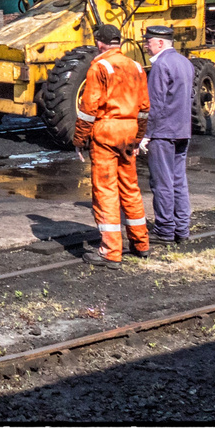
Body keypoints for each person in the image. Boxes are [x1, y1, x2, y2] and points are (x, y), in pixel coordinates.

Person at [73, 24, 151, 268]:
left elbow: (88, 109)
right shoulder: (137, 66)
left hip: (107, 132)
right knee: (130, 187)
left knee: (105, 190)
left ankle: (110, 252)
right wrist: (137, 138)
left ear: (99, 42)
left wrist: (79, 139)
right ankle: (141, 244)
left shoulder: (100, 67)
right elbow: (144, 108)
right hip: (129, 133)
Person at [138, 25, 193, 243]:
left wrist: (146, 134)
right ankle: (182, 229)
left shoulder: (161, 65)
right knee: (179, 180)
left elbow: (156, 104)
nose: (145, 45)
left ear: (160, 43)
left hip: (162, 133)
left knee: (162, 183)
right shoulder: (185, 63)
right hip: (183, 130)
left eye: (148, 42)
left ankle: (164, 229)